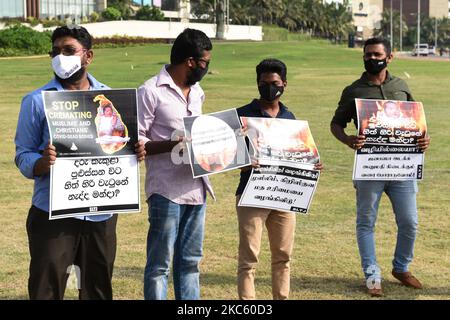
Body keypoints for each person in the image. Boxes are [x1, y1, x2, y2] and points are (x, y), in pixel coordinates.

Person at [14, 25, 146, 300]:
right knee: (45, 289)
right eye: (55, 51)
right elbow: (23, 154)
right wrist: (41, 162)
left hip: (101, 214)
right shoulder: (36, 101)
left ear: (88, 56)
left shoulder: (113, 98)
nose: (60, 56)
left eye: (68, 50)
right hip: (52, 214)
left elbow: (121, 144)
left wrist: (136, 151)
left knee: (97, 289)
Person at [330, 37, 431, 297]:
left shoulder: (401, 86)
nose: (372, 59)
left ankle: (401, 267)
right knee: (366, 222)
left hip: (402, 169)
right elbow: (336, 124)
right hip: (370, 168)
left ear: (389, 56)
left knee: (410, 222)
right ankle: (372, 273)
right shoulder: (353, 90)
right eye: (367, 55)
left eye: (376, 54)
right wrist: (349, 140)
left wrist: (423, 137)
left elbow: (414, 121)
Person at [235, 59, 323, 300]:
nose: (269, 88)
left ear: (284, 83)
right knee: (248, 258)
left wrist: (311, 165)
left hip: (284, 195)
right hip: (252, 193)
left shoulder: (290, 117)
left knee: (283, 256)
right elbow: (227, 155)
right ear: (257, 83)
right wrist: (243, 162)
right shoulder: (242, 115)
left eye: (274, 83)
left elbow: (296, 152)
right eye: (264, 84)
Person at [138, 28, 214, 300]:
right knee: (160, 265)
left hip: (196, 188)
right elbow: (138, 143)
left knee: (190, 263)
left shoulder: (197, 91)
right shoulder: (150, 91)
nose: (207, 67)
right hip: (165, 192)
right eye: (205, 62)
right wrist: (175, 144)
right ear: (190, 62)